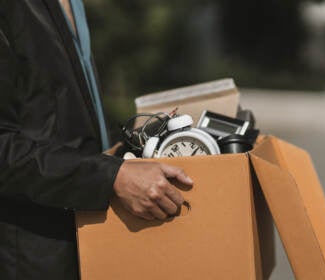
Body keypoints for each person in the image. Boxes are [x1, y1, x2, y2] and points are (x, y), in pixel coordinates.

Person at [0, 1, 193, 279]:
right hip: (31, 258)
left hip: (85, 247)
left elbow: (61, 123)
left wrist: (134, 146)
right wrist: (111, 177)